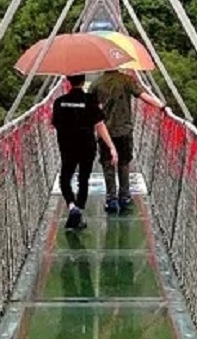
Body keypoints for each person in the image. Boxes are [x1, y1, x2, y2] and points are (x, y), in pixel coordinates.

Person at [90, 70, 164, 213]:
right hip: (124, 130)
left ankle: (111, 199)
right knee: (124, 162)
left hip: (105, 131)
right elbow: (143, 96)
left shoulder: (96, 84)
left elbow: (91, 108)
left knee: (107, 163)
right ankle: (124, 196)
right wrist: (161, 106)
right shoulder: (127, 80)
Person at [52, 73, 117, 230]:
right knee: (83, 179)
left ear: (68, 81)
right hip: (87, 146)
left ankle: (71, 206)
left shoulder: (59, 102)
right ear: (83, 81)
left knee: (65, 177)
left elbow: (54, 124)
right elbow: (100, 125)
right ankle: (79, 213)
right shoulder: (91, 100)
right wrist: (111, 147)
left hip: (67, 146)